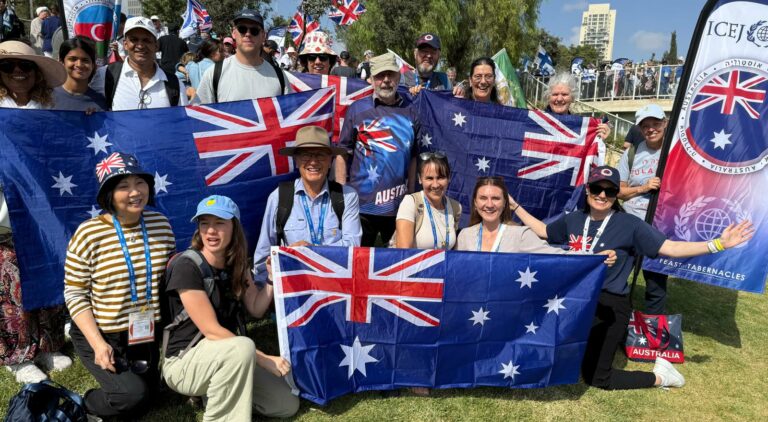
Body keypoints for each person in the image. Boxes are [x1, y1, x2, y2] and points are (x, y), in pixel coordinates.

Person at [508, 165, 754, 390]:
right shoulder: (573, 220)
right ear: (587, 190)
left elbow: (670, 248)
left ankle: (662, 377)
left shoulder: (630, 224)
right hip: (575, 301)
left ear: (617, 195)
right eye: (597, 189)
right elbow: (543, 231)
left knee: (596, 378)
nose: (602, 195)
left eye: (610, 191)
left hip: (610, 304)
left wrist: (718, 244)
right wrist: (514, 206)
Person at [163, 195, 299, 419]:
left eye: (219, 223)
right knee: (243, 347)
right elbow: (212, 331)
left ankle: (214, 391)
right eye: (204, 223)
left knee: (285, 404)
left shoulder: (237, 263)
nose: (210, 231)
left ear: (234, 228)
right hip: (183, 363)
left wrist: (272, 279)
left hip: (227, 355)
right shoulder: (187, 265)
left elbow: (256, 309)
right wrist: (264, 359)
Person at [64, 152, 175, 418]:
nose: (135, 192)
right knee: (130, 397)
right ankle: (86, 403)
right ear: (109, 195)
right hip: (103, 332)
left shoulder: (161, 224)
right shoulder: (88, 233)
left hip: (144, 331)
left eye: (140, 183)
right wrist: (99, 344)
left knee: (152, 397)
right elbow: (74, 293)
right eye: (124, 186)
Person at [0, 40, 70, 384]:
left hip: (43, 210)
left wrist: (82, 124)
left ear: (36, 74)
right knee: (13, 283)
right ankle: (17, 354)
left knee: (46, 273)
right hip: (6, 212)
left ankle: (47, 344)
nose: (18, 72)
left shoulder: (47, 112)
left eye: (26, 66)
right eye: (9, 66)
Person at [253, 125, 362, 283]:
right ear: (296, 160)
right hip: (293, 288)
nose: (313, 161)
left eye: (320, 155)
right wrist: (266, 293)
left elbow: (353, 247)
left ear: (330, 161)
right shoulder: (278, 197)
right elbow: (263, 253)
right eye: (306, 155)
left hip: (335, 284)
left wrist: (311, 252)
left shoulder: (347, 196)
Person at [336, 52, 420, 247]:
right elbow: (342, 152)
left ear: (399, 77)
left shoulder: (412, 111)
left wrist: (411, 195)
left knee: (398, 265)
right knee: (358, 264)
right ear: (372, 80)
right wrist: (340, 194)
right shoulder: (357, 109)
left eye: (391, 75)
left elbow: (414, 156)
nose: (386, 81)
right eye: (380, 76)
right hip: (361, 206)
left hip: (399, 207)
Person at [617, 104, 668, 314]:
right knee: (617, 276)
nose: (651, 129)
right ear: (639, 129)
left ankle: (652, 327)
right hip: (630, 223)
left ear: (665, 123)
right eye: (645, 126)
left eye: (656, 124)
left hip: (658, 226)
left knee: (655, 283)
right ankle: (617, 319)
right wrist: (644, 187)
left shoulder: (673, 153)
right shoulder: (632, 153)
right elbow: (619, 192)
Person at [91, 16, 188, 110]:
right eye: (134, 40)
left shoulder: (175, 84)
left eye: (146, 40)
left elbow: (182, 122)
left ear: (156, 45)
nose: (140, 46)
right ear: (125, 44)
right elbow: (84, 104)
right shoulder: (105, 75)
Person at [196, 9, 290, 104]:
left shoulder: (279, 76)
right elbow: (198, 115)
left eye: (254, 30)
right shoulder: (213, 74)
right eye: (242, 29)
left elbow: (290, 114)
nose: (248, 34)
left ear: (263, 36)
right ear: (233, 33)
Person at [394, 153, 461, 250]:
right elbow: (403, 253)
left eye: (441, 177)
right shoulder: (410, 203)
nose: (435, 185)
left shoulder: (456, 207)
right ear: (420, 179)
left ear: (449, 178)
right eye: (429, 178)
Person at [545, 72, 610, 139]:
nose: (559, 99)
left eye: (564, 94)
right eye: (555, 94)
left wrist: (599, 139)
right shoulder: (535, 123)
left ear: (572, 98)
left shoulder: (582, 127)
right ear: (548, 97)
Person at [54, 36, 107, 111]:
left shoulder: (100, 102)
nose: (79, 64)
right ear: (62, 62)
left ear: (93, 65)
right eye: (73, 59)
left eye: (85, 60)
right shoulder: (46, 98)